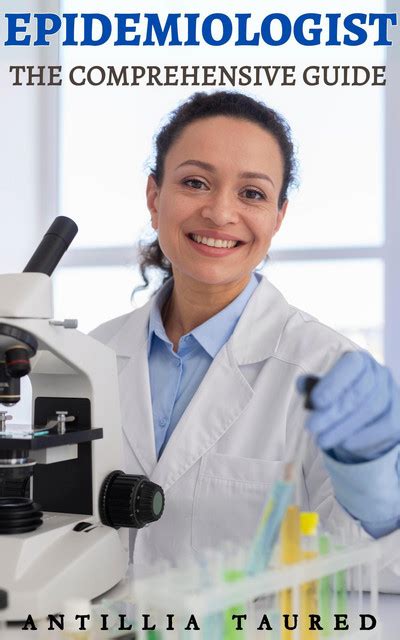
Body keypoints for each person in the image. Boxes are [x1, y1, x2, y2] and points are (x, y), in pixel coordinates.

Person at [90, 91, 400, 576]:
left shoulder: (326, 372)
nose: (219, 213)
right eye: (195, 182)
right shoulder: (91, 356)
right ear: (154, 197)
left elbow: (373, 572)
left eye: (252, 193)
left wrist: (380, 504)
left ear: (278, 217)